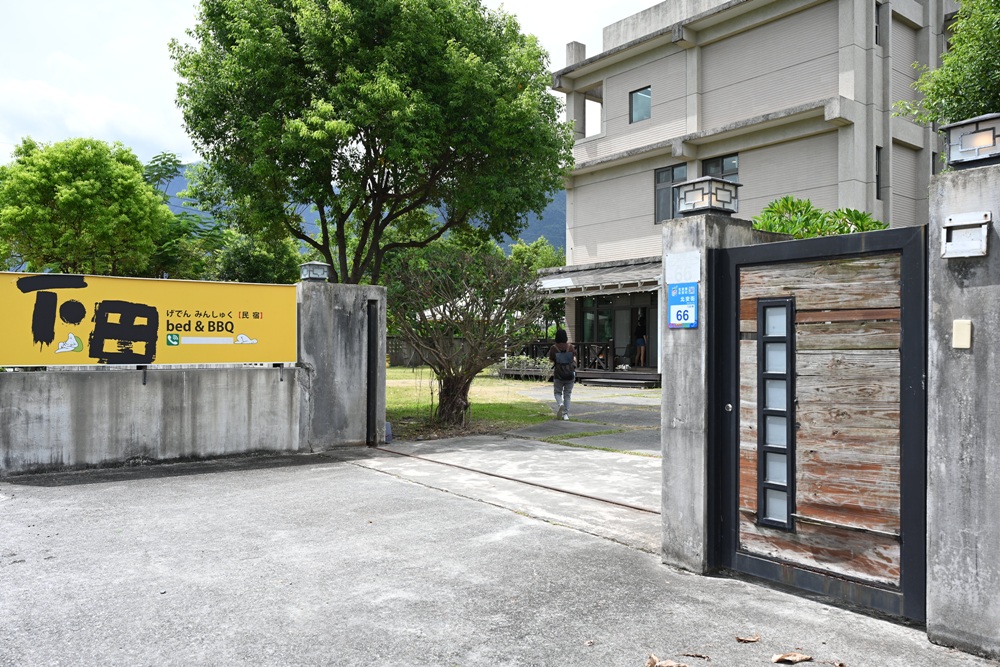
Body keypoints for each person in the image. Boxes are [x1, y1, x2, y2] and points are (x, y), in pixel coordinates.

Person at [548, 329, 577, 421]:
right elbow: (574, 358)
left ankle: (560, 404)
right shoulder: (570, 347)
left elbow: (551, 359)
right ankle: (566, 415)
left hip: (558, 374)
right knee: (567, 394)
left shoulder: (554, 348)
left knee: (557, 392)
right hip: (570, 374)